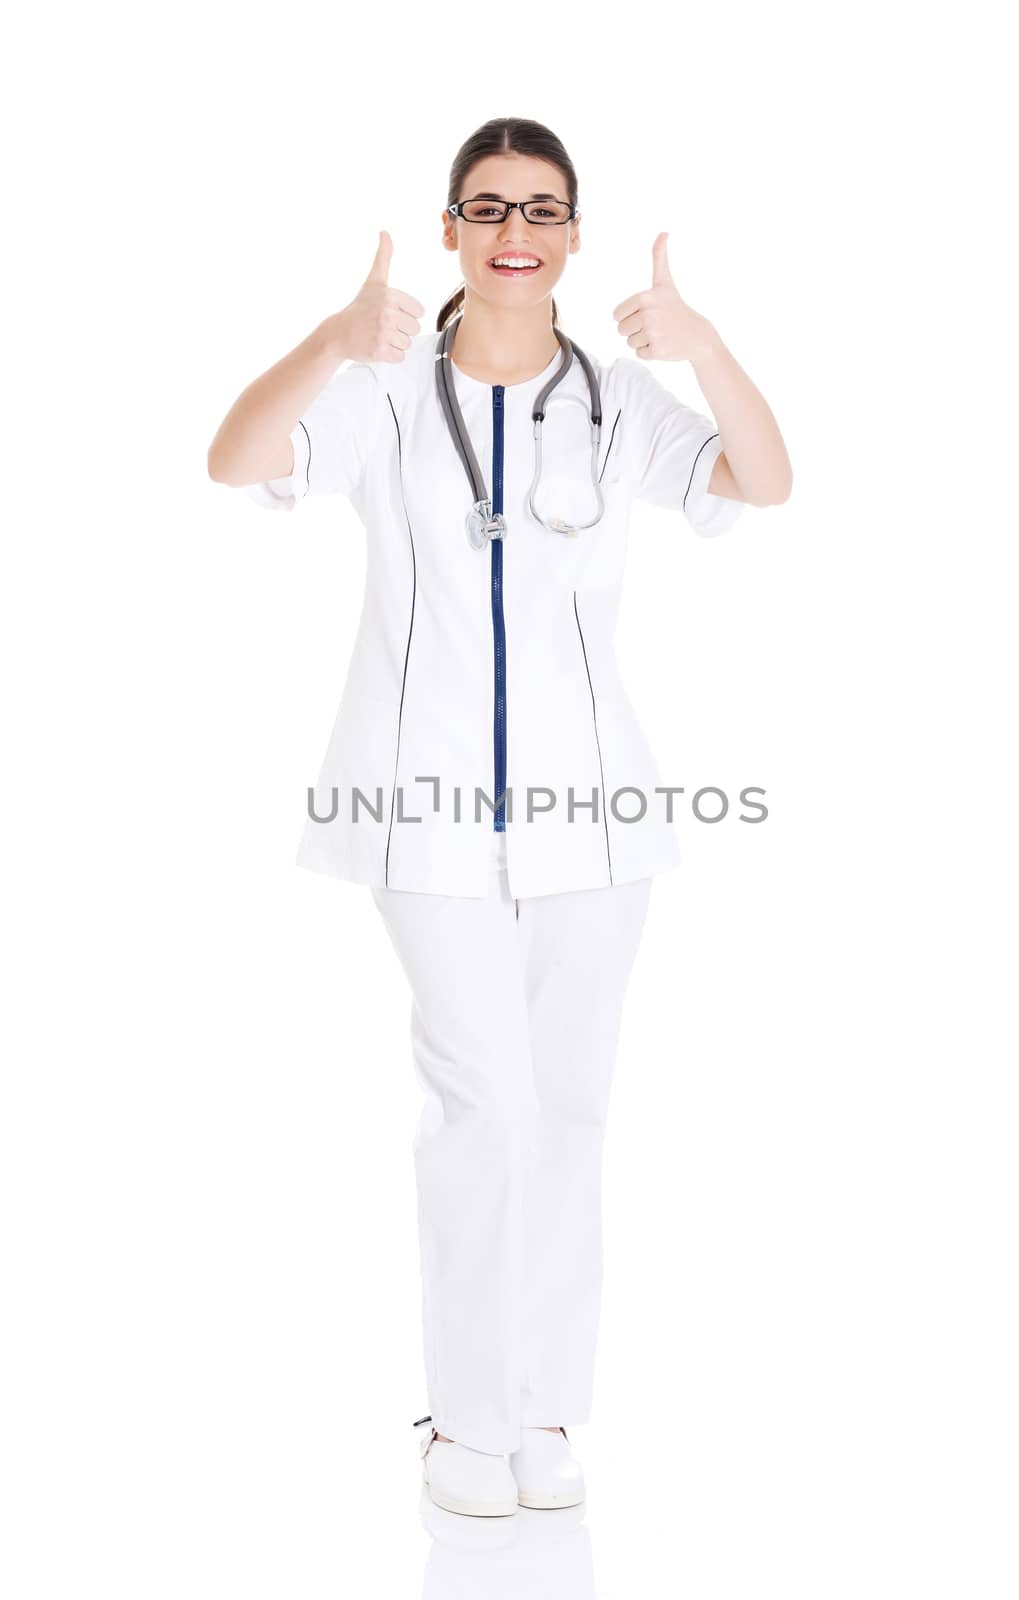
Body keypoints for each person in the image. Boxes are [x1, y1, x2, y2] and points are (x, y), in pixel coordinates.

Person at [207, 116, 791, 1518]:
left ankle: (545, 1412)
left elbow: (762, 481)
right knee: (485, 1101)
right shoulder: (385, 393)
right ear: (455, 228)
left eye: (542, 206)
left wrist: (701, 345)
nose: (515, 228)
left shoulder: (617, 403)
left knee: (573, 1109)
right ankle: (464, 1419)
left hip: (599, 818)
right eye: (487, 206)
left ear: (575, 234)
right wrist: (334, 339)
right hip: (424, 808)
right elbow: (235, 460)